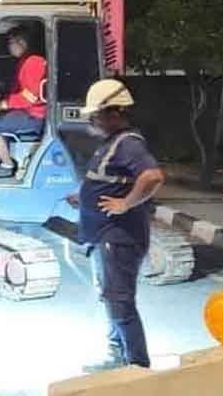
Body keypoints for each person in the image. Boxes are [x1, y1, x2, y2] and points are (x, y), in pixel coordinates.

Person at [67, 78, 165, 372]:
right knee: (111, 297)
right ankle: (117, 355)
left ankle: (136, 366)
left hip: (120, 237)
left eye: (96, 115)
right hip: (105, 236)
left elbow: (153, 176)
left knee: (120, 302)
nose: (93, 121)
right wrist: (83, 197)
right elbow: (110, 181)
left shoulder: (129, 144)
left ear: (115, 112)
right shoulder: (112, 143)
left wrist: (126, 204)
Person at [0, 26, 47, 177]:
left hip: (34, 116)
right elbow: (20, 90)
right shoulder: (25, 61)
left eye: (11, 42)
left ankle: (7, 165)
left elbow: (30, 97)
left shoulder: (34, 62)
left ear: (22, 42)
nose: (9, 47)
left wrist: (1, 105)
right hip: (27, 112)